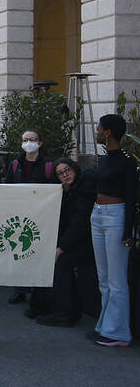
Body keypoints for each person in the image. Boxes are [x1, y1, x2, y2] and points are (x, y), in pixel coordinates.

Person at [88, 114, 137, 347]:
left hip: (116, 216)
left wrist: (128, 232)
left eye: (99, 127)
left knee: (117, 278)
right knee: (104, 277)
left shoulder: (127, 162)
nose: (96, 130)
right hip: (98, 214)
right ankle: (105, 325)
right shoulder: (105, 158)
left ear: (107, 132)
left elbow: (131, 197)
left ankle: (118, 332)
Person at [34, 158, 99, 328]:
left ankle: (65, 313)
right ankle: (61, 310)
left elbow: (80, 222)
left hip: (88, 240)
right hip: (80, 239)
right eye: (60, 174)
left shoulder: (84, 187)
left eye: (67, 171)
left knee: (61, 264)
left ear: (74, 169)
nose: (65, 175)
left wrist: (61, 248)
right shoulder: (71, 190)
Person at [3, 128, 54, 306]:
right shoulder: (15, 164)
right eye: (25, 140)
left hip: (41, 216)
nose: (28, 143)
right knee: (19, 251)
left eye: (32, 139)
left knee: (36, 251)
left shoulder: (49, 165)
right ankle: (20, 290)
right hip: (19, 216)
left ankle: (37, 290)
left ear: (40, 143)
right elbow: (7, 187)